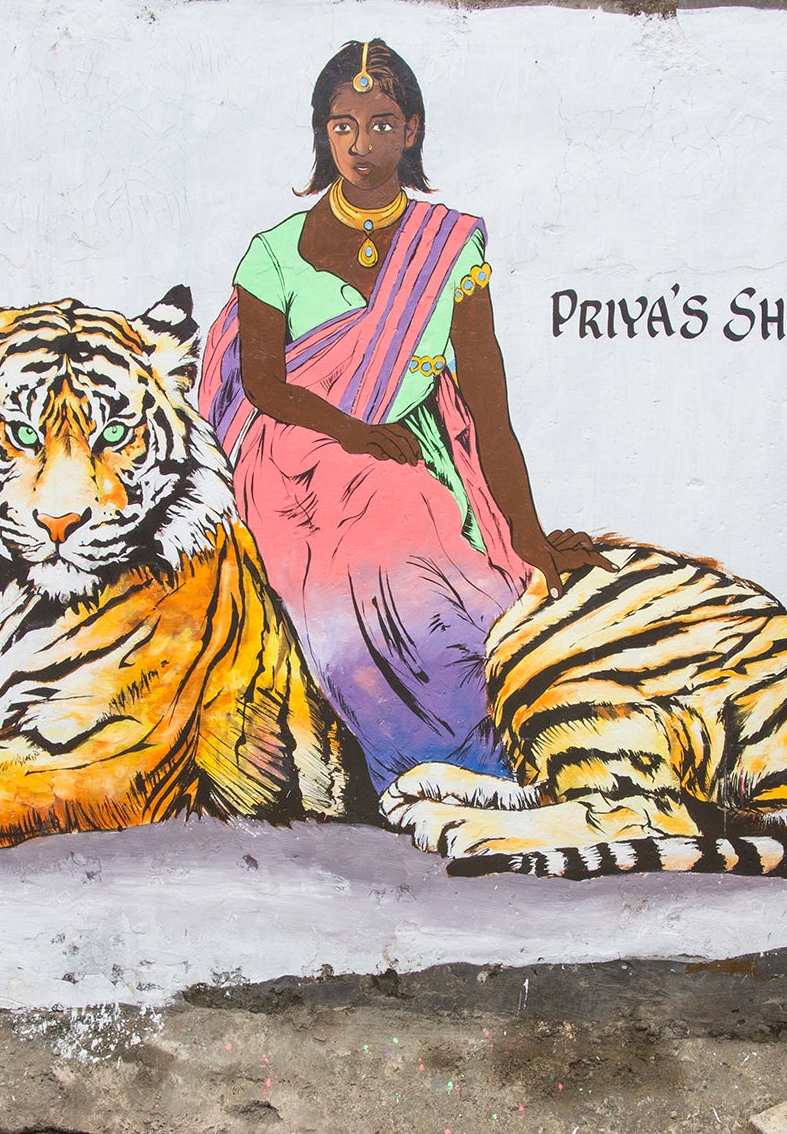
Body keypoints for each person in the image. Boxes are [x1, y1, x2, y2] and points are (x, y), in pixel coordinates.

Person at [197, 39, 604, 790]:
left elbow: (487, 399)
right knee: (394, 505)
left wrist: (527, 530)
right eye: (343, 125)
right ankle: (435, 757)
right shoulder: (274, 252)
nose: (361, 143)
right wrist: (354, 434)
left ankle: (501, 730)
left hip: (416, 440)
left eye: (381, 123)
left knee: (437, 524)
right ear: (323, 132)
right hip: (294, 452)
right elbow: (262, 385)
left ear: (411, 130)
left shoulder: (448, 248)